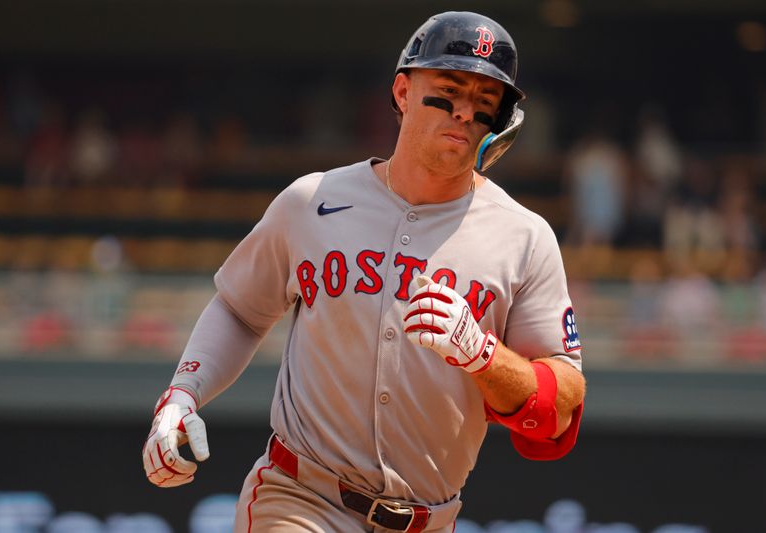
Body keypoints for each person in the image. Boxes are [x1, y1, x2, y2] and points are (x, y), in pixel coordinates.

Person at [142, 11, 586, 533]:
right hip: (302, 496)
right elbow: (240, 309)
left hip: (429, 519)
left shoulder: (523, 237)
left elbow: (559, 408)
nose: (464, 112)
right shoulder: (314, 200)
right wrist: (180, 396)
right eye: (449, 89)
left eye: (485, 102)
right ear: (402, 92)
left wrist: (483, 355)